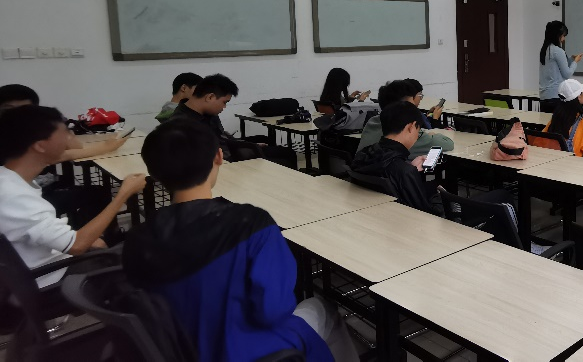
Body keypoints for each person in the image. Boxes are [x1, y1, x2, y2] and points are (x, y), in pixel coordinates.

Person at [123, 118, 357, 361]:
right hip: (251, 352)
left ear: (153, 172)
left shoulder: (137, 239)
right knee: (322, 308)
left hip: (180, 351)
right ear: (218, 157)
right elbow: (274, 311)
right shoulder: (253, 224)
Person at [0, 105, 146, 287]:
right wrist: (122, 195)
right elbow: (77, 246)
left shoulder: (9, 179)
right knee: (143, 252)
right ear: (40, 146)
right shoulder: (17, 198)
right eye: (64, 133)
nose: (70, 138)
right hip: (53, 277)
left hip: (46, 262)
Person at [170, 73, 297, 169]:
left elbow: (221, 139)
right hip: (225, 165)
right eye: (224, 102)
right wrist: (250, 153)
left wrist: (251, 146)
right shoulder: (182, 123)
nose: (224, 107)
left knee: (288, 153)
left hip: (230, 154)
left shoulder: (207, 113)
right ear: (210, 97)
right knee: (283, 164)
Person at [0, 84, 128, 162]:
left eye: (24, 110)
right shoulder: (7, 137)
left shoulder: (31, 129)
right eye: (8, 110)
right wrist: (105, 148)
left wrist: (59, 127)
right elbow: (60, 156)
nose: (15, 115)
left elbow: (75, 146)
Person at [350, 102, 438, 213]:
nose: (417, 135)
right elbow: (424, 213)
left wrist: (410, 167)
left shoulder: (363, 154)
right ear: (411, 127)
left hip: (371, 214)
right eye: (418, 130)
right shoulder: (404, 171)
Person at [356, 80, 453, 159]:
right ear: (401, 107)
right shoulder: (405, 132)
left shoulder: (372, 122)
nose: (413, 108)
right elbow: (447, 144)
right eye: (410, 104)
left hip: (364, 174)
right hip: (393, 176)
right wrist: (432, 134)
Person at [543, 79, 583, 157]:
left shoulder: (555, 119)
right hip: (574, 163)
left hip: (552, 161)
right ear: (579, 96)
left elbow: (540, 142)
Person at [538, 21, 583, 113]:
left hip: (544, 97)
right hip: (556, 97)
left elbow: (555, 67)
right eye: (563, 36)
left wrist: (571, 59)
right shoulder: (558, 51)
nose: (564, 39)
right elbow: (567, 74)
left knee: (547, 122)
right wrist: (575, 62)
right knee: (558, 122)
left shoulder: (545, 49)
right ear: (557, 35)